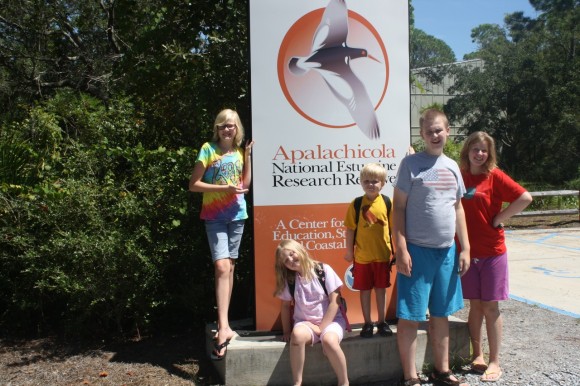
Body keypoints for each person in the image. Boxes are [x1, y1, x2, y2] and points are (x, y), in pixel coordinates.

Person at [392, 108, 471, 386]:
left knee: (441, 314)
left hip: (446, 252)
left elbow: (458, 208)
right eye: (429, 131)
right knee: (410, 316)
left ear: (448, 131)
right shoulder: (411, 165)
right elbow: (398, 208)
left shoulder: (452, 167)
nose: (435, 135)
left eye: (439, 130)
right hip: (416, 252)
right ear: (422, 135)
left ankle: (442, 370)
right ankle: (410, 376)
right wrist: (400, 249)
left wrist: (465, 248)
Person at [459, 131, 532, 382]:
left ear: (489, 153)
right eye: (475, 149)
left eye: (484, 150)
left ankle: (494, 361)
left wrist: (500, 218)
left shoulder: (494, 176)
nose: (479, 154)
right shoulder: (459, 174)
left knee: (491, 306)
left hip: (492, 253)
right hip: (467, 253)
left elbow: (525, 197)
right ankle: (476, 355)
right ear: (467, 150)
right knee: (475, 306)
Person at [189, 108, 254, 360]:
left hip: (237, 215)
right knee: (220, 266)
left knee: (229, 268)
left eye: (232, 125)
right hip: (214, 216)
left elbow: (245, 185)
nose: (227, 129)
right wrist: (222, 187)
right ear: (216, 128)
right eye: (223, 125)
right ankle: (224, 326)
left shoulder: (238, 152)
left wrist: (247, 156)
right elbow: (193, 184)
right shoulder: (208, 149)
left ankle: (224, 325)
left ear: (237, 129)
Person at [274, 239, 349, 386]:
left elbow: (335, 302)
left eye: (291, 254)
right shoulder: (290, 279)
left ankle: (344, 382)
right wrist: (287, 331)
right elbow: (284, 307)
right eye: (285, 260)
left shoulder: (323, 270)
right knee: (297, 336)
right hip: (306, 323)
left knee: (329, 341)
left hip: (331, 320)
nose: (290, 259)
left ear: (300, 250)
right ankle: (297, 382)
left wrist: (321, 329)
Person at [343, 163, 394, 338]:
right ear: (361, 182)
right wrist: (349, 251)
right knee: (364, 290)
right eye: (366, 181)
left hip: (382, 256)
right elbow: (350, 229)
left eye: (375, 181)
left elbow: (394, 229)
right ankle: (367, 323)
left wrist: (399, 252)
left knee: (381, 290)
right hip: (362, 257)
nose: (371, 184)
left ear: (383, 183)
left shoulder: (388, 202)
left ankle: (382, 322)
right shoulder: (356, 204)